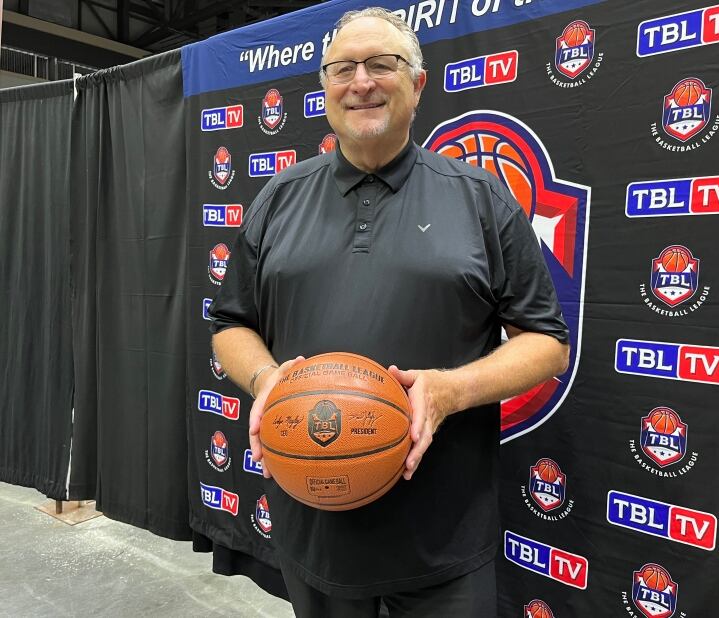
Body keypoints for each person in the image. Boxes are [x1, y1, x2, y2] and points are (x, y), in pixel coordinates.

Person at [208, 7, 570, 617]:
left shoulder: (479, 197)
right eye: (343, 68)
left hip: (443, 539)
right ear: (324, 87)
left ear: (418, 84)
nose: (362, 81)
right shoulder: (277, 198)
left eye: (383, 64)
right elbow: (231, 324)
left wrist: (450, 390)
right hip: (314, 524)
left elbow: (547, 342)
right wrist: (269, 380)